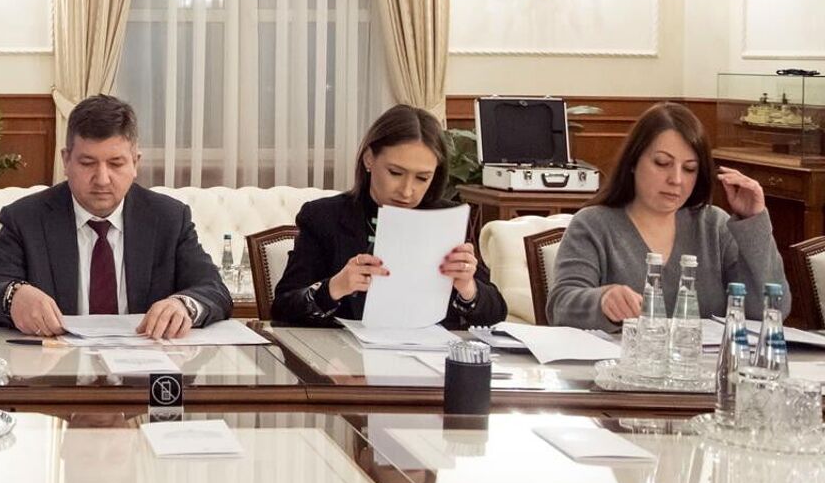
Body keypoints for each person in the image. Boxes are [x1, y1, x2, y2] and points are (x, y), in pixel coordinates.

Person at [0, 94, 230, 338]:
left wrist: (183, 305)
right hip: (56, 360)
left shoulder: (169, 218)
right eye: (87, 163)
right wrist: (14, 296)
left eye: (116, 164)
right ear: (66, 160)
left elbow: (213, 289)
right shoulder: (26, 218)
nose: (102, 179)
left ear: (135, 163)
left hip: (146, 360)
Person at [548, 101, 786, 330]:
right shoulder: (593, 224)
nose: (676, 179)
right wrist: (602, 301)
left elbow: (772, 309)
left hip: (703, 358)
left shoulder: (715, 225)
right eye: (662, 163)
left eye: (689, 168)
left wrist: (753, 222)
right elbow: (560, 307)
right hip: (620, 357)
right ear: (633, 162)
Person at [272, 104, 505, 328]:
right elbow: (282, 308)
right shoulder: (323, 217)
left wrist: (468, 287)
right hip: (344, 351)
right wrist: (334, 288)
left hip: (432, 351)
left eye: (422, 178)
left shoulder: (446, 218)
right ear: (369, 159)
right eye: (395, 173)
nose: (407, 191)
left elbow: (497, 313)